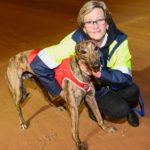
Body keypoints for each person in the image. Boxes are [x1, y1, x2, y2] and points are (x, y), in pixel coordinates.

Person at [30, 0, 141, 127]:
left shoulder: (120, 40)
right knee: (120, 110)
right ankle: (94, 109)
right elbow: (38, 64)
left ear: (107, 23)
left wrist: (100, 74)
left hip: (112, 80)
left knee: (133, 91)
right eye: (89, 22)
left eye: (99, 20)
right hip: (95, 89)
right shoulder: (74, 42)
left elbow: (125, 78)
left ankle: (130, 110)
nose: (95, 26)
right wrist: (58, 91)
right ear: (83, 27)